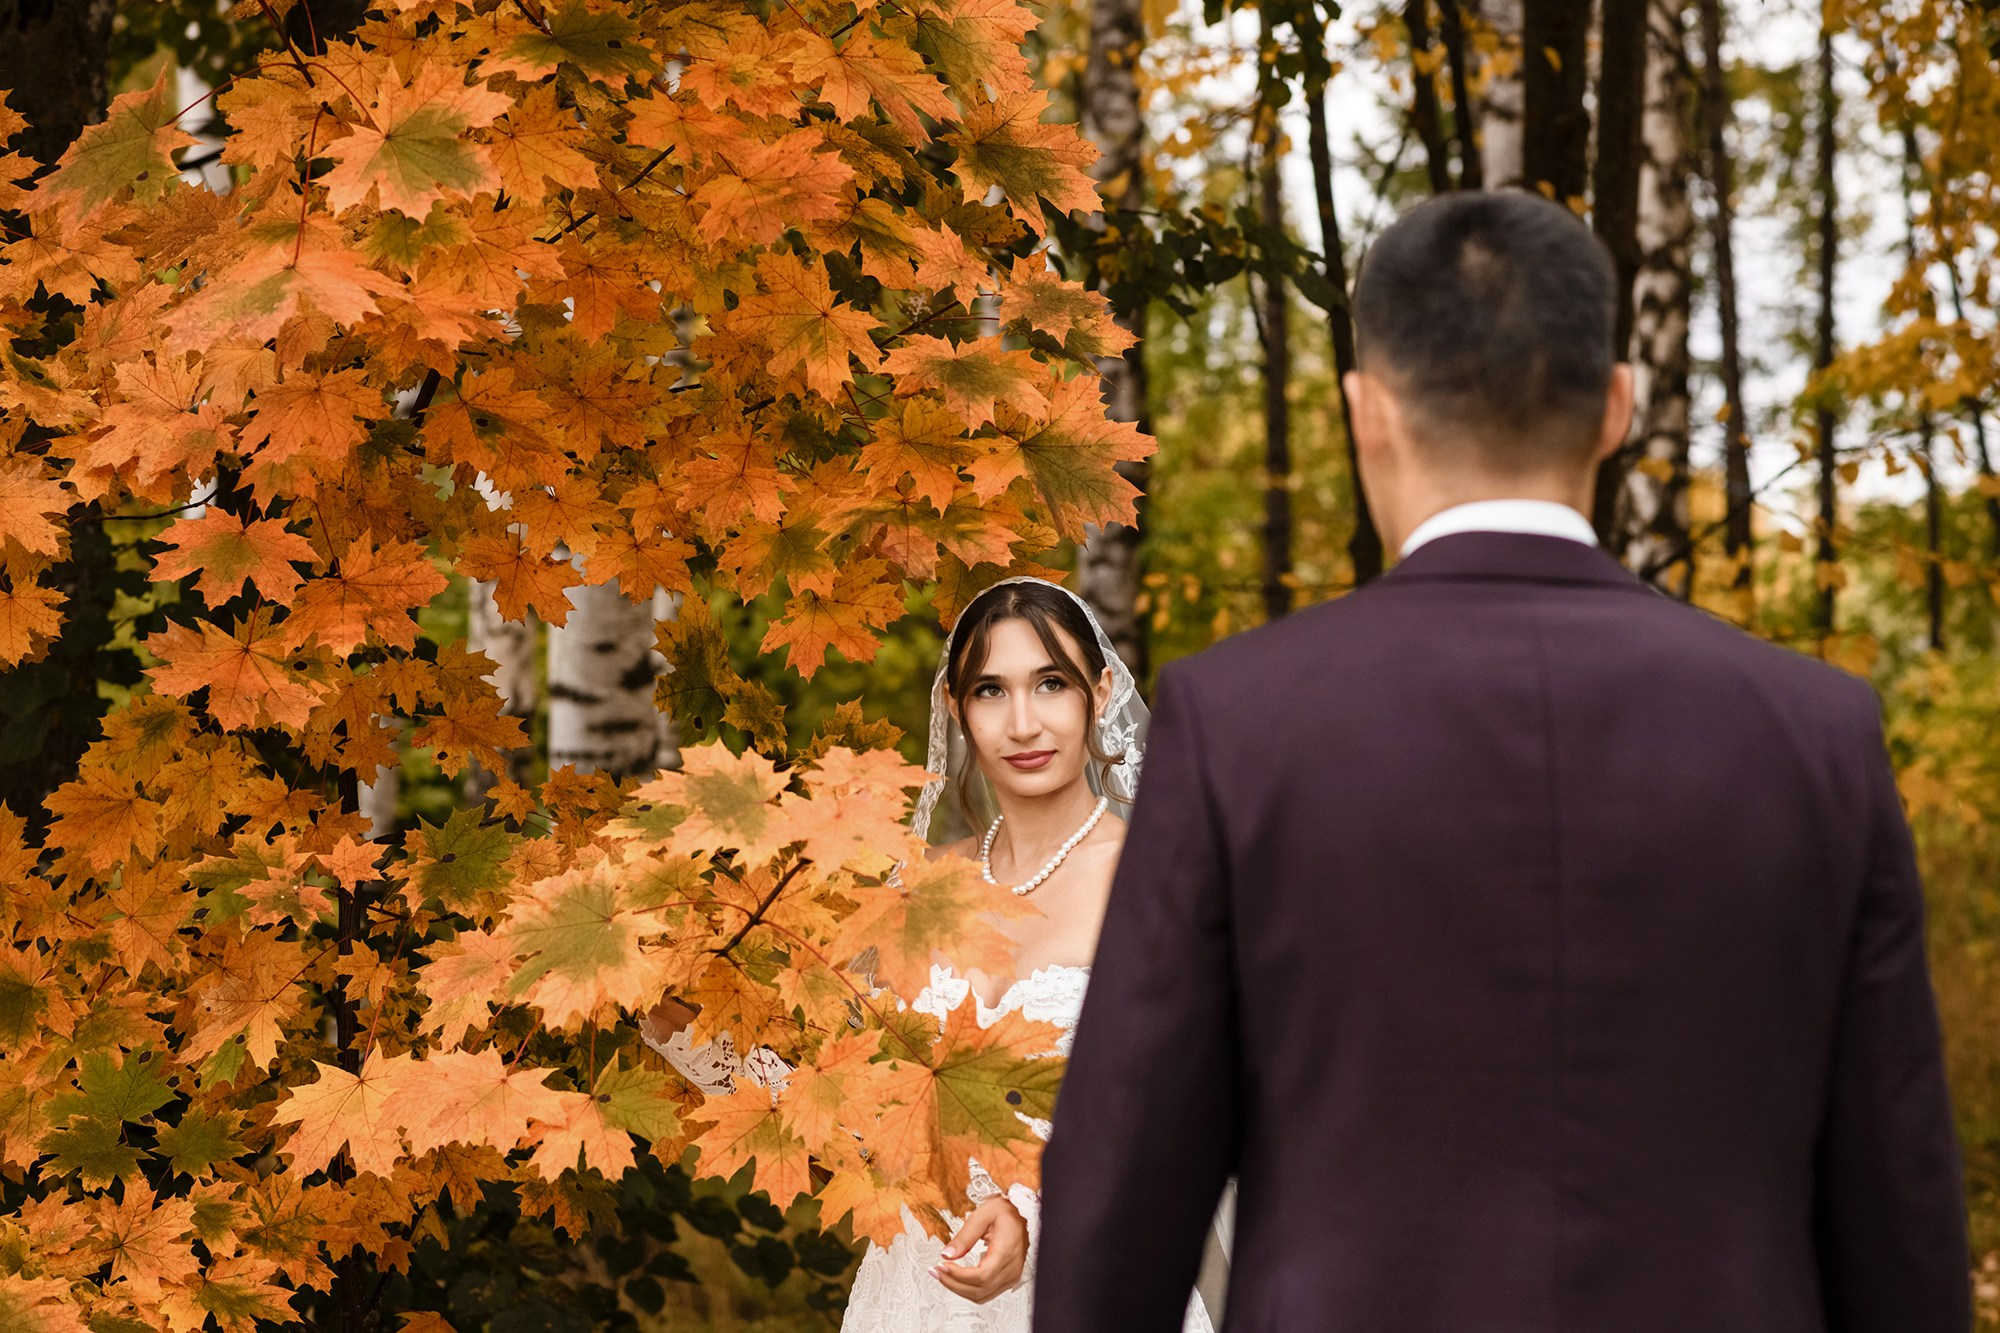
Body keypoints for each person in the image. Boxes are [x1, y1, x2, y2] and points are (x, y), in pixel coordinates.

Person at [1033, 191, 1972, 1332]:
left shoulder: (1239, 722)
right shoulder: (1815, 733)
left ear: (1363, 413)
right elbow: (1900, 1221)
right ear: (1617, 406)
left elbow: (1119, 1203)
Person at [643, 577, 1221, 1331]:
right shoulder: (914, 886)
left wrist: (1032, 1217)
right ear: (956, 707)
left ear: (1101, 690)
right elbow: (850, 1109)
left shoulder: (1160, 877)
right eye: (990, 689)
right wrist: (676, 1023)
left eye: (1051, 683)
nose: (1022, 722)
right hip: (916, 1293)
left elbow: (1187, 1119)